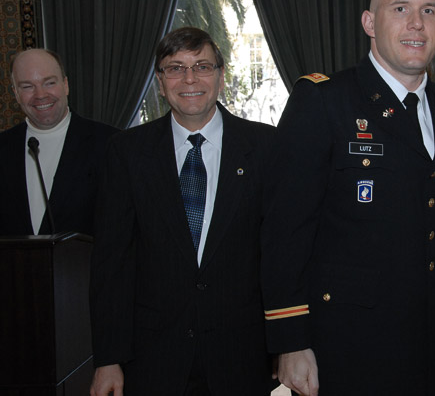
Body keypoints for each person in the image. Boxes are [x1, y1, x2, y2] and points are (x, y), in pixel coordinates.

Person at [261, 0, 435, 396]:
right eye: (401, 8)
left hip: (432, 343)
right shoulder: (323, 101)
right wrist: (290, 341)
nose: (417, 24)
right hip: (346, 346)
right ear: (369, 22)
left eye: (429, 10)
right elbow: (284, 230)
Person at [89, 27, 276, 395]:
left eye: (202, 66)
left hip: (243, 358)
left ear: (221, 76)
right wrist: (107, 359)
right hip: (152, 360)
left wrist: (286, 345)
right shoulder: (126, 153)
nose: (189, 79)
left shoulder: (266, 148)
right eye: (175, 68)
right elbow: (112, 264)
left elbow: (280, 256)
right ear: (160, 82)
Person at [0, 49, 117, 236]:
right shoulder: (3, 148)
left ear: (66, 85)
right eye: (27, 86)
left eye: (49, 83)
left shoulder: (111, 143)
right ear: (15, 93)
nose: (40, 95)